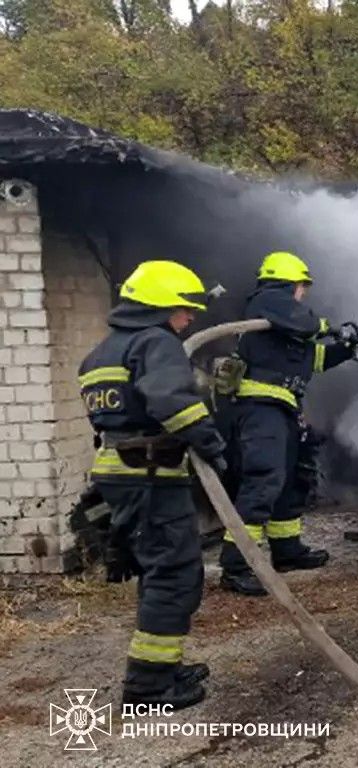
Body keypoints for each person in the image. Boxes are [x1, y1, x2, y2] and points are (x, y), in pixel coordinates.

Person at [78, 260, 227, 710]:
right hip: (150, 474)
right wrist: (212, 444)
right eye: (185, 310)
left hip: (120, 470)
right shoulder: (156, 341)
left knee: (158, 570)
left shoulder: (101, 352)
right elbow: (171, 403)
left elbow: (108, 416)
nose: (190, 320)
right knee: (176, 573)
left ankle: (162, 669)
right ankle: (148, 688)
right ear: (161, 306)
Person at [219, 251, 358, 596]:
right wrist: (329, 327)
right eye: (301, 286)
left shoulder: (283, 330)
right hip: (259, 409)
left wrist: (352, 348)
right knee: (263, 481)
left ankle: (286, 550)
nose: (303, 293)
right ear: (289, 283)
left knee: (291, 481)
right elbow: (307, 324)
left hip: (284, 409)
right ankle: (236, 565)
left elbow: (315, 360)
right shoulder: (268, 301)